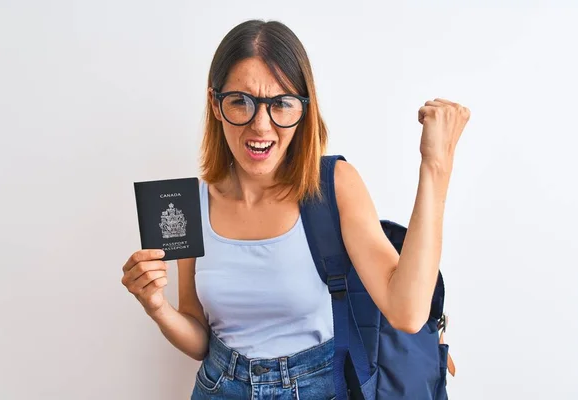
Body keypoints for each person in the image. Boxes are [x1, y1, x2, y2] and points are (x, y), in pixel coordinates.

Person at [121, 19, 470, 399]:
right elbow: (199, 337)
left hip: (320, 386)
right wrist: (156, 306)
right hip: (219, 387)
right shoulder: (190, 204)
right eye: (241, 101)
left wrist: (435, 167)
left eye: (281, 104)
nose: (261, 125)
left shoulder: (333, 185)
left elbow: (407, 311)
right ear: (216, 105)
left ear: (303, 108)